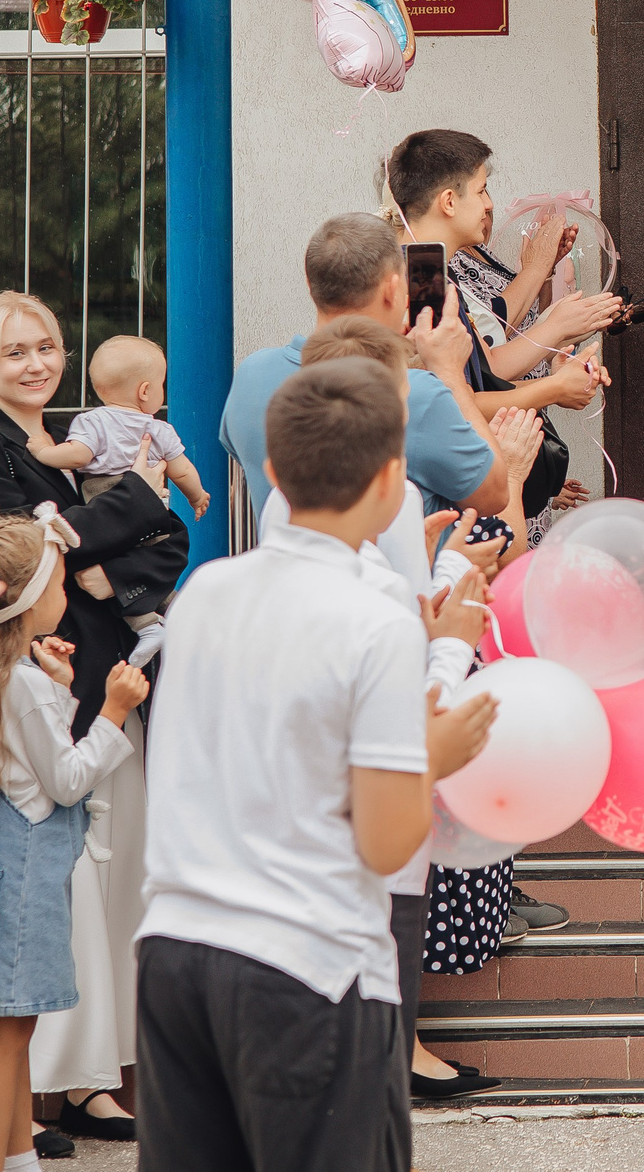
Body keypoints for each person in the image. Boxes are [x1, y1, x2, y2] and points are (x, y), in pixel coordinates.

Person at [137, 359, 499, 1172]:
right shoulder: (375, 621)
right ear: (393, 480)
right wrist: (434, 753)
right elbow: (385, 840)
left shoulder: (205, 593)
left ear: (273, 470)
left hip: (176, 948)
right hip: (307, 961)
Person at [0, 290, 190, 1143]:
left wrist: (102, 564)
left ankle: (88, 1080)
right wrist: (126, 506)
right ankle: (2, 1104)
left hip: (109, 676)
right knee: (53, 898)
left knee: (112, 891)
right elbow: (18, 556)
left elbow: (169, 536)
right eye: (14, 351)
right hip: (44, 689)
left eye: (45, 345)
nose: (35, 362)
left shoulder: (85, 435)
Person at [296, 316, 524, 1106]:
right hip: (376, 770)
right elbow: (402, 654)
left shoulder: (264, 553)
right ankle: (392, 1059)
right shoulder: (380, 510)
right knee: (392, 904)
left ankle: (392, 1054)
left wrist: (438, 567)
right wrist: (453, 620)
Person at [0, 512, 149, 1172]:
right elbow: (65, 781)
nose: (66, 594)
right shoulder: (24, 684)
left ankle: (17, 1157)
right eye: (59, 582)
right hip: (23, 879)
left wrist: (61, 690)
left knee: (14, 1029)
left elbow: (31, 765)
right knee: (9, 1036)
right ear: (32, 596)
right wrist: (112, 711)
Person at [382, 129, 616, 527]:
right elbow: (448, 403)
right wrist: (553, 389)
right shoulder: (419, 280)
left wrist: (560, 375)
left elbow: (478, 377)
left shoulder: (425, 268)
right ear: (449, 201)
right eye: (482, 190)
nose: (489, 204)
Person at [222, 213, 507, 524]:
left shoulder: (252, 373)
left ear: (310, 284)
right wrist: (449, 372)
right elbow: (494, 494)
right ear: (392, 289)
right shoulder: (417, 394)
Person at [20, 334, 214, 518]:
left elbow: (78, 456)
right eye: (161, 385)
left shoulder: (92, 421)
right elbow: (183, 471)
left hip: (105, 503)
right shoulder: (160, 431)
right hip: (151, 509)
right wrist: (197, 497)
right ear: (145, 391)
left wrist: (43, 452)